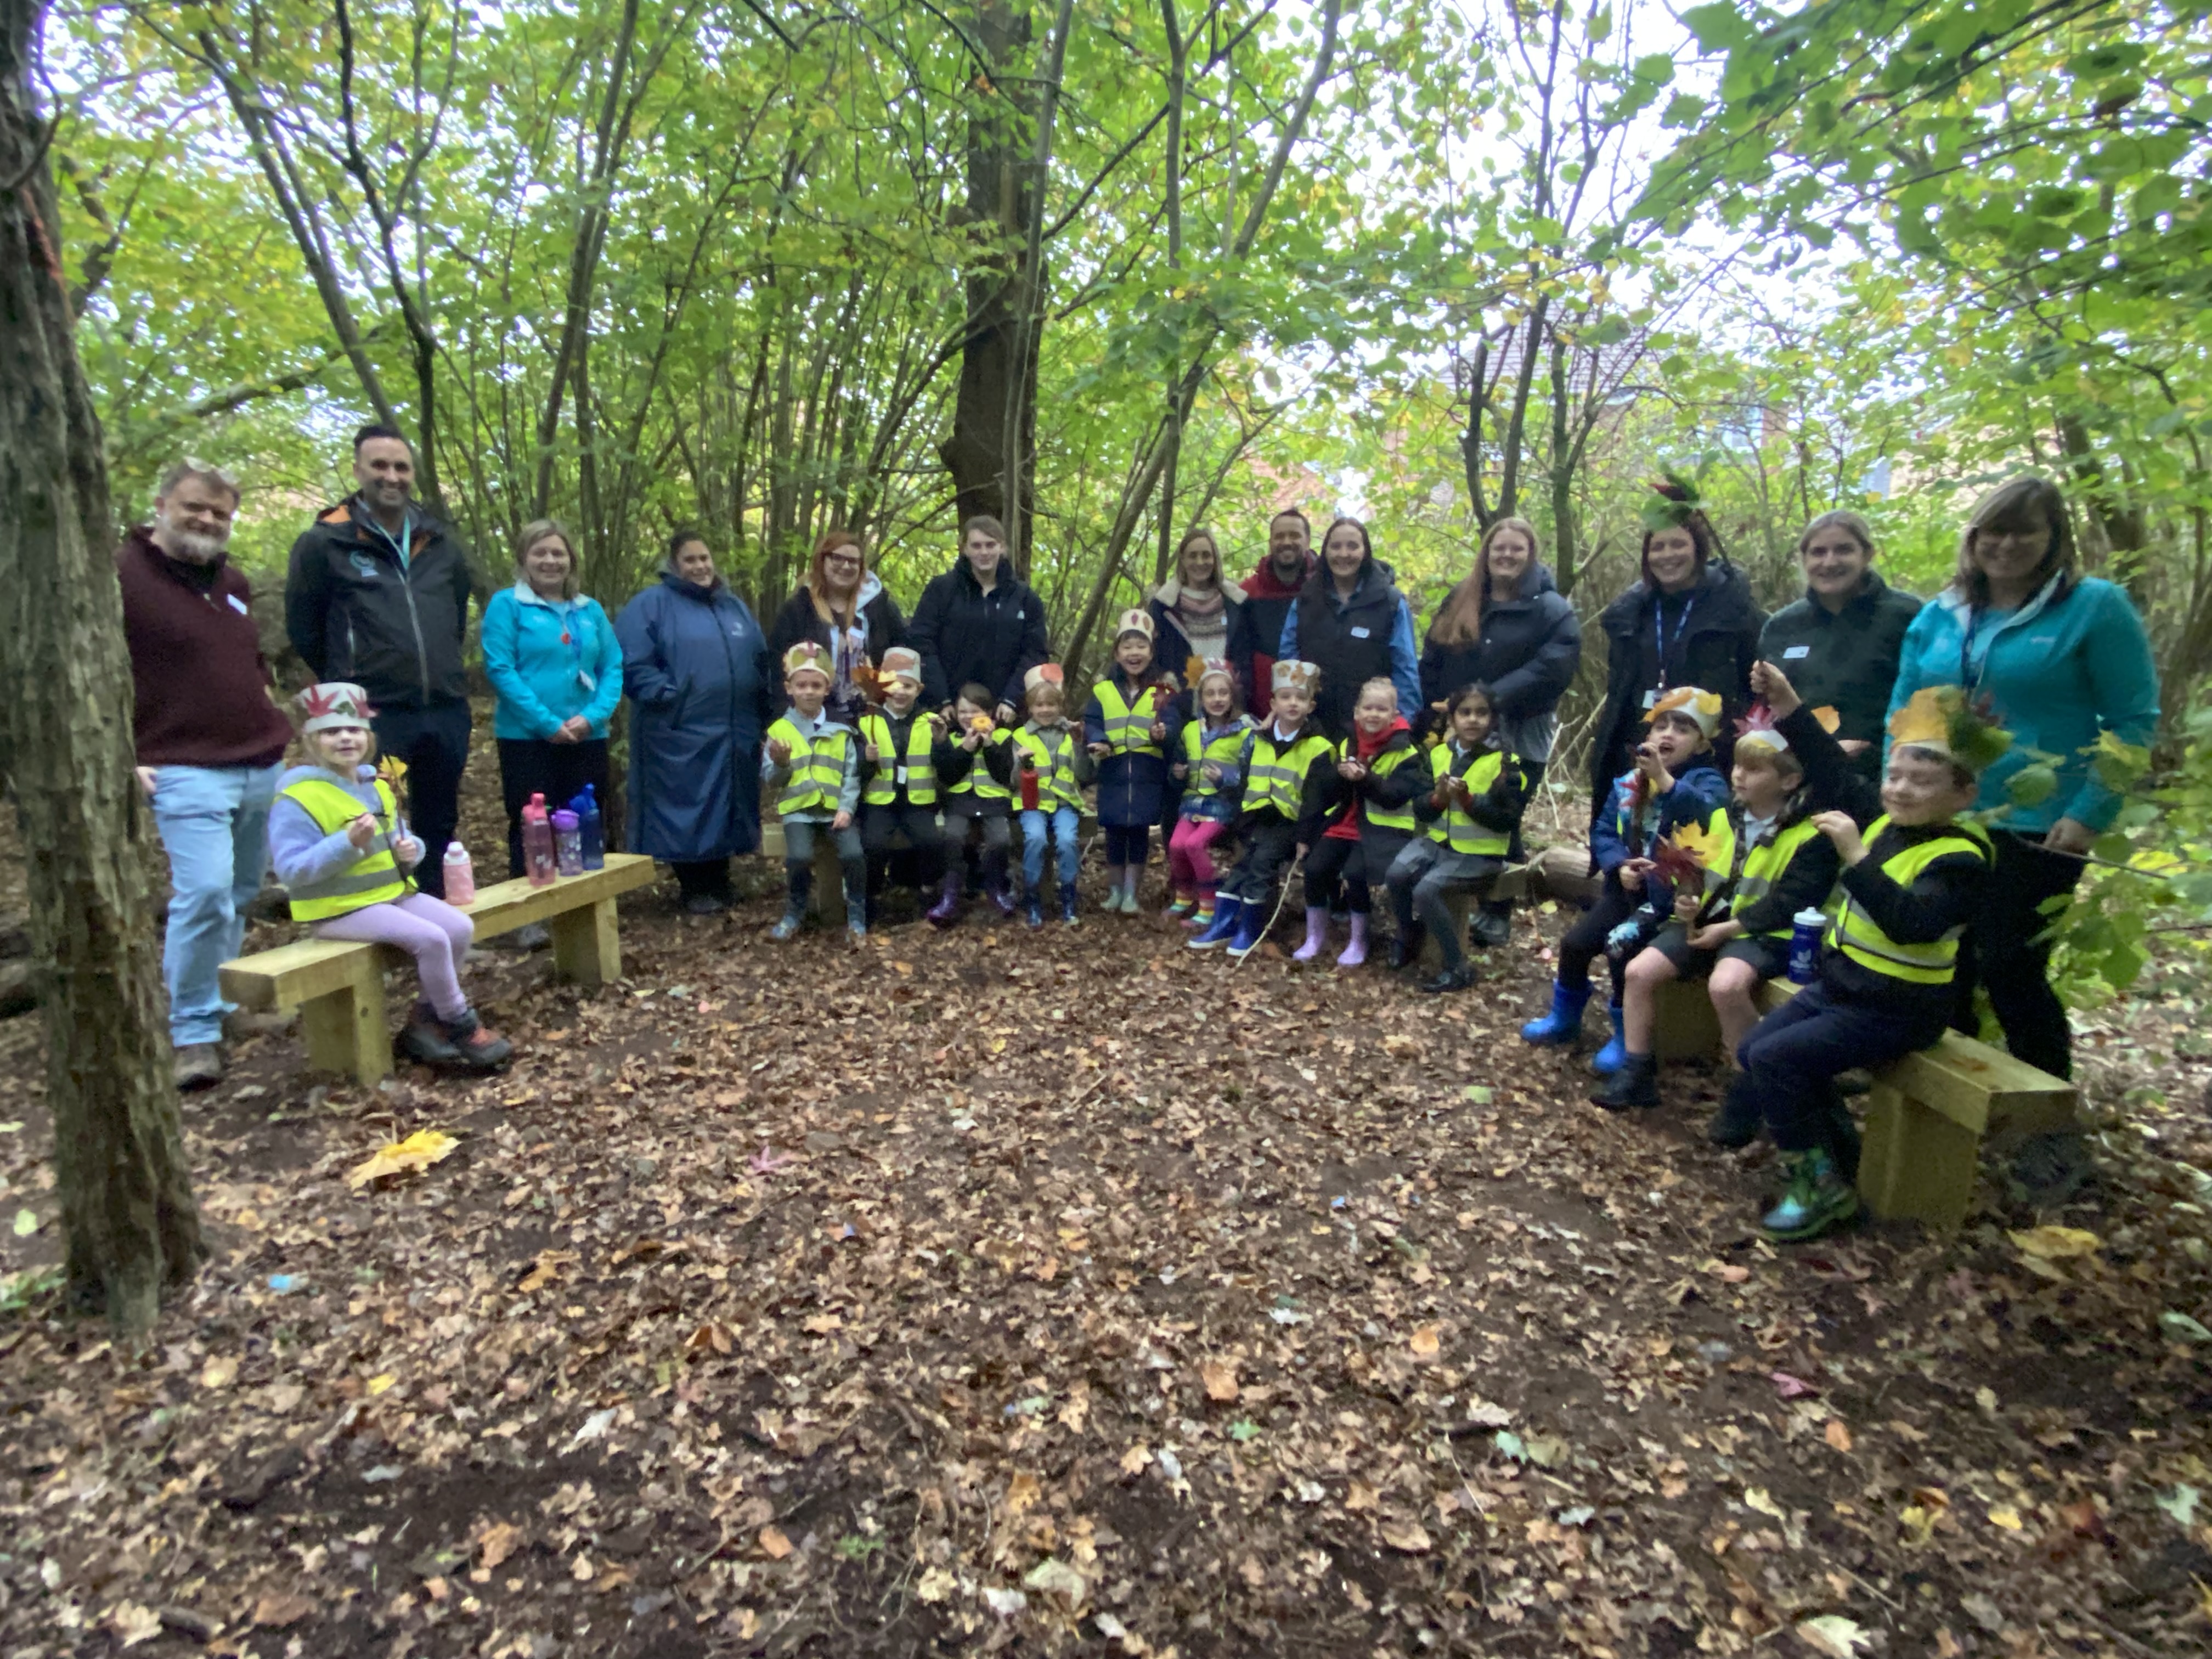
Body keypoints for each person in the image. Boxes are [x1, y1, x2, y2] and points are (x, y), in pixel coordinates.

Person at [1887, 476, 2160, 1085]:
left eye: (2024, 531)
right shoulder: (1941, 614)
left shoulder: (2094, 608)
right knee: (1939, 957)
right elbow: (1904, 709)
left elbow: (2133, 721)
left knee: (2010, 965)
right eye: (1995, 530)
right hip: (1942, 816)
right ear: (1974, 537)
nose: (2007, 544)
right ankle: (1943, 1094)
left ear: (2053, 537)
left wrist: (2092, 811)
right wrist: (1899, 784)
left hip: (2041, 824)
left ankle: (2045, 1117)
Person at [1735, 663, 2001, 1242]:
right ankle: (1836, 1157)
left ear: (1963, 793)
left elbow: (1914, 925)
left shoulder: (1960, 860)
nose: (1901, 790)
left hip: (1897, 1009)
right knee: (1757, 1049)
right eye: (1895, 776)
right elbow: (1832, 769)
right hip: (1843, 988)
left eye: (1922, 782)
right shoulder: (1886, 823)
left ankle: (1818, 1187)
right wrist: (1789, 707)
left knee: (1780, 1060)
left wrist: (1856, 858)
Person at [119, 459, 296, 1090]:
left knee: (243, 890)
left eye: (220, 513)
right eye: (196, 507)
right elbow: (91, 671)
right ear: (163, 503)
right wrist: (120, 751)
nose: (207, 520)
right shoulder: (120, 576)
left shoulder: (233, 582)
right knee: (205, 891)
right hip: (179, 764)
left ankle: (222, 1005)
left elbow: (250, 663)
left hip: (256, 760)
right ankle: (191, 1030)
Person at [1593, 707, 1840, 1118]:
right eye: (1739, 767)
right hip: (1710, 922)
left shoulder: (1811, 834)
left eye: (1755, 770)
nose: (1739, 776)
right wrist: (1687, 900)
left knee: (1726, 986)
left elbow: (1790, 902)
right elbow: (1697, 869)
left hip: (1766, 934)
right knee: (1638, 972)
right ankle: (1636, 1072)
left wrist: (1726, 929)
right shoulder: (1725, 817)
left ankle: (1750, 1090)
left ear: (1790, 780)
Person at [267, 683, 511, 1071]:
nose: (345, 738)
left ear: (368, 737)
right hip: (338, 910)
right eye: (332, 731)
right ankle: (460, 1023)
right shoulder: (298, 798)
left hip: (391, 895)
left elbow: (402, 839)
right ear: (312, 740)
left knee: (460, 928)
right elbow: (292, 871)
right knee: (430, 940)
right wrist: (345, 843)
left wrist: (411, 850)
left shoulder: (376, 785)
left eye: (354, 730)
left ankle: (426, 1022)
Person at [285, 424, 479, 898]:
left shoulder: (439, 541)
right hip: (374, 714)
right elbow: (304, 627)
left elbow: (453, 613)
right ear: (358, 470)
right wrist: (348, 679)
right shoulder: (326, 543)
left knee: (439, 817)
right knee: (380, 814)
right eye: (379, 466)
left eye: (401, 467)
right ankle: (386, 919)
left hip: (443, 706)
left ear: (412, 473)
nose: (391, 476)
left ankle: (435, 914)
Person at [1525, 686, 1731, 1065]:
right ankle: (1564, 1017)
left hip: (1672, 904)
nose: (1668, 734)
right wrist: (1619, 865)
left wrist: (1665, 781)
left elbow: (1706, 815)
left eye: (1683, 729)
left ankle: (1625, 1035)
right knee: (1575, 943)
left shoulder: (1708, 783)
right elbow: (1603, 830)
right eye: (1661, 726)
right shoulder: (1628, 783)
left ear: (1701, 745)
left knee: (1621, 946)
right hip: (1626, 894)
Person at [1418, 516, 1582, 945]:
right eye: (1499, 549)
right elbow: (1434, 652)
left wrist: (1491, 700)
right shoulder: (1464, 597)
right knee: (1457, 803)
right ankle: (1452, 898)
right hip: (1463, 723)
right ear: (1487, 554)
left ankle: (1498, 909)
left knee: (1501, 814)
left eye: (1516, 550)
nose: (1506, 556)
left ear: (1530, 556)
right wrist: (1436, 704)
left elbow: (1554, 667)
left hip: (1520, 728)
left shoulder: (1551, 608)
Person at [1587, 478, 1764, 833]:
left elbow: (1755, 683)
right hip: (1640, 747)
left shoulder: (1733, 607)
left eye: (1678, 545)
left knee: (1688, 846)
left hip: (1705, 756)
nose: (1668, 556)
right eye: (1659, 547)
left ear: (1698, 549)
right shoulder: (1630, 614)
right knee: (1630, 845)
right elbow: (1620, 691)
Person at [616, 528, 775, 913]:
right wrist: (667, 696)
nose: (700, 566)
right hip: (680, 728)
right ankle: (695, 886)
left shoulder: (732, 606)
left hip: (735, 727)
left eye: (704, 559)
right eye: (690, 560)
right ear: (674, 564)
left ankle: (719, 881)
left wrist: (766, 705)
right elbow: (631, 661)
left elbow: (760, 658)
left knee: (728, 802)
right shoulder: (651, 604)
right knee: (687, 805)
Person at [479, 519, 622, 904]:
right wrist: (546, 723)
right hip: (527, 738)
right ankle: (532, 911)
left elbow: (612, 666)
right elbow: (500, 669)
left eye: (558, 553)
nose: (550, 561)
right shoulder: (507, 606)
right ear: (524, 559)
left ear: (571, 561)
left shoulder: (589, 610)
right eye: (540, 552)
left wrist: (593, 716)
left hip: (586, 735)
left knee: (585, 820)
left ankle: (586, 904)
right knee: (532, 824)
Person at [1756, 511, 1922, 781]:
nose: (1830, 562)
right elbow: (1766, 709)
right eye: (1818, 552)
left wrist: (1873, 748)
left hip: (1884, 776)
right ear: (1805, 559)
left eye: (1843, 550)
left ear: (1867, 554)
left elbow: (1925, 701)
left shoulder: (1906, 617)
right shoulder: (1782, 626)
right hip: (1798, 778)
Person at [1386, 682, 1528, 993]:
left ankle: (1457, 966)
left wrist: (1468, 801)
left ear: (1492, 719)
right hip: (1438, 845)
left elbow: (1507, 820)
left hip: (1480, 855)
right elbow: (1423, 810)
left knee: (1426, 890)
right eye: (1465, 713)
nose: (1473, 720)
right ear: (1452, 719)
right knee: (1396, 874)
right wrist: (1438, 797)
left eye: (1481, 713)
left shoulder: (1505, 762)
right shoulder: (1438, 754)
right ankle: (1407, 936)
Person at [1188, 659, 1335, 960]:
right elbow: (1245, 782)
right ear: (1273, 703)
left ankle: (1251, 929)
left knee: (1261, 868)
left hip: (1289, 824)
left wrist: (1305, 838)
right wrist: (1240, 820)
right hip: (1256, 819)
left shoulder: (1318, 747)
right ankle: (1225, 923)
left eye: (1300, 698)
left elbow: (1315, 798)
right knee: (1240, 869)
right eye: (1286, 697)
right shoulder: (1258, 740)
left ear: (1311, 705)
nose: (1292, 703)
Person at [1298, 679, 1423, 967]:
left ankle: (1359, 940)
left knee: (1355, 873)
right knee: (1315, 868)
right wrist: (1340, 776)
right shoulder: (1346, 742)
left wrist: (1365, 778)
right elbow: (1323, 790)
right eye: (1368, 708)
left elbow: (1395, 797)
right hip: (1346, 821)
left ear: (1394, 715)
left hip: (1383, 830)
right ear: (1357, 712)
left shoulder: (1406, 751)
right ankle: (1314, 936)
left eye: (1382, 709)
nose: (1374, 715)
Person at [1278, 517, 1420, 740]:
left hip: (1372, 728)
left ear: (1365, 551)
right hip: (1314, 727)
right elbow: (1289, 660)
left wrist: (1402, 724)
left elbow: (1405, 668)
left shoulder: (1390, 602)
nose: (1343, 554)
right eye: (1336, 546)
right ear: (1325, 552)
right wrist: (1290, 712)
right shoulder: (1305, 600)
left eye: (1352, 546)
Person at [764, 642, 866, 943]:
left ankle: (857, 915)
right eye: (801, 685)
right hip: (799, 811)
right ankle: (795, 911)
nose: (808, 691)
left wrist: (846, 808)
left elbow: (851, 773)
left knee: (854, 853)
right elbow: (772, 780)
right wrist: (781, 764)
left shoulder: (841, 730)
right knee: (798, 857)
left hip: (836, 809)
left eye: (815, 685)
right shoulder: (778, 731)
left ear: (827, 688)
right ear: (789, 688)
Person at [1084, 610, 1182, 915]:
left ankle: (1131, 894)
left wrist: (1162, 733)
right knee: (1113, 833)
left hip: (1145, 772)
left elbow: (1173, 723)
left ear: (1151, 652)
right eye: (1127, 647)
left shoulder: (1162, 690)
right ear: (1117, 652)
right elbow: (1092, 720)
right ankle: (1114, 891)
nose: (1134, 653)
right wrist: (1097, 737)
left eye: (1141, 647)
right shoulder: (1103, 690)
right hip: (1113, 770)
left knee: (1138, 833)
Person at [909, 515, 1050, 722]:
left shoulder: (1025, 599)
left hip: (1005, 713)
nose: (984, 552)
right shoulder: (941, 590)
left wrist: (1012, 699)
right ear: (964, 549)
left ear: (1002, 548)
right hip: (949, 713)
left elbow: (1035, 654)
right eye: (976, 546)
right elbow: (921, 644)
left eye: (990, 545)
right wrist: (942, 700)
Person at [765, 528, 906, 726]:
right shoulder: (799, 609)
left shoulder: (879, 607)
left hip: (873, 716)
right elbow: (777, 666)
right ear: (822, 561)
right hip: (813, 717)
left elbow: (901, 654)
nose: (846, 566)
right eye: (838, 558)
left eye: (853, 561)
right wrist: (782, 715)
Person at [856, 646, 950, 924]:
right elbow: (855, 772)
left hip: (918, 802)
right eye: (894, 684)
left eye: (908, 686)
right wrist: (866, 758)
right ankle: (870, 897)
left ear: (919, 689)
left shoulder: (930, 722)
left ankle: (927, 892)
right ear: (884, 685)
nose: (900, 691)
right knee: (872, 845)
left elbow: (946, 767)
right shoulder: (867, 721)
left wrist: (943, 743)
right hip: (880, 802)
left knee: (932, 842)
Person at [1166, 661, 1253, 929]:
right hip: (1192, 803)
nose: (1217, 699)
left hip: (1222, 806)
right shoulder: (1191, 730)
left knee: (1194, 845)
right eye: (1210, 694)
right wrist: (1177, 774)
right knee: (1176, 846)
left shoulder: (1244, 732)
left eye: (1223, 693)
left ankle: (1209, 904)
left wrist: (1225, 779)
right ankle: (1183, 896)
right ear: (1201, 698)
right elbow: (1177, 767)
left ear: (1232, 696)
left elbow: (1250, 776)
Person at [935, 683, 1020, 923]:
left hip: (994, 803)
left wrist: (990, 744)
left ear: (989, 714)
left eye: (975, 712)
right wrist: (965, 749)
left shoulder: (1004, 737)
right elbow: (947, 775)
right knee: (953, 837)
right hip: (960, 803)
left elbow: (1005, 775)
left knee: (1001, 839)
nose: (969, 717)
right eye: (963, 712)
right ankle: (950, 895)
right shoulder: (952, 739)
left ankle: (995, 888)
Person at [1014, 664, 1090, 928]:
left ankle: (1069, 898)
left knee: (1068, 841)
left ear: (1060, 706)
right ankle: (1033, 899)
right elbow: (1014, 781)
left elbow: (1083, 773)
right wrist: (1022, 764)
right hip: (1033, 803)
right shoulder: (1021, 735)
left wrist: (1080, 745)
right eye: (1039, 705)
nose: (1045, 710)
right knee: (1035, 839)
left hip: (1064, 803)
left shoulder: (1071, 733)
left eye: (1051, 705)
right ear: (1031, 708)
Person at [1147, 528, 1253, 711]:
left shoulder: (1237, 604)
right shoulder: (1164, 606)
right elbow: (1156, 660)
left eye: (1206, 555)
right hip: (1180, 709)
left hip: (1228, 708)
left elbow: (1244, 660)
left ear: (1215, 559)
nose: (1200, 562)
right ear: (1183, 560)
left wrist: (1240, 695)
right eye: (1193, 556)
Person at [1236, 509, 1318, 703]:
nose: (1287, 542)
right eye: (1280, 536)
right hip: (1259, 711)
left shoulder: (1323, 590)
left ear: (1307, 541)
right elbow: (1238, 656)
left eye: (1295, 535)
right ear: (1271, 543)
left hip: (1315, 711)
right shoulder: (1247, 593)